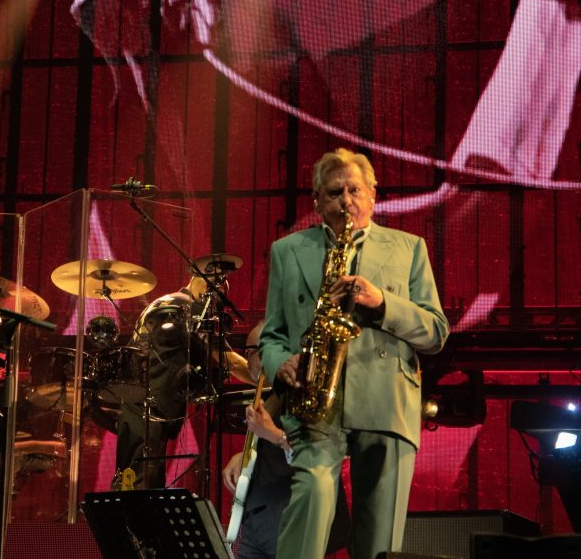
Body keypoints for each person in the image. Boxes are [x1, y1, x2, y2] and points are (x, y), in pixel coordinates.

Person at [258, 149, 449, 559]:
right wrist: (280, 364)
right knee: (312, 495)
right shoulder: (287, 250)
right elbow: (271, 336)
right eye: (334, 192)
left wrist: (382, 302)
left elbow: (436, 332)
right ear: (317, 201)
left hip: (386, 400)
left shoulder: (409, 248)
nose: (346, 200)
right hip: (315, 403)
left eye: (354, 190)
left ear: (373, 195)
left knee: (379, 540)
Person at [112, 272, 252, 489]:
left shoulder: (162, 303)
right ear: (207, 289)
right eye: (217, 300)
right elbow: (229, 360)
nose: (215, 308)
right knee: (144, 486)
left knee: (129, 478)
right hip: (153, 405)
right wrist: (264, 379)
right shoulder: (190, 308)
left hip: (132, 402)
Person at [221, 322, 349, 559]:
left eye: (250, 352)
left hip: (287, 516)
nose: (246, 360)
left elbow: (318, 451)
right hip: (256, 520)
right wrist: (243, 456)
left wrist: (272, 433)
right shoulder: (271, 395)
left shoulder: (305, 391)